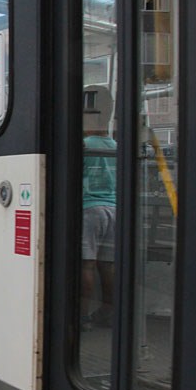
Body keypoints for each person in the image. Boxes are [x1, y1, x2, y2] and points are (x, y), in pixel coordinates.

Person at [81, 85, 117, 331]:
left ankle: (81, 316)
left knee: (87, 264)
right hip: (114, 209)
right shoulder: (115, 146)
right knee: (108, 265)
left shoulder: (84, 146)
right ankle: (109, 311)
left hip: (89, 209)